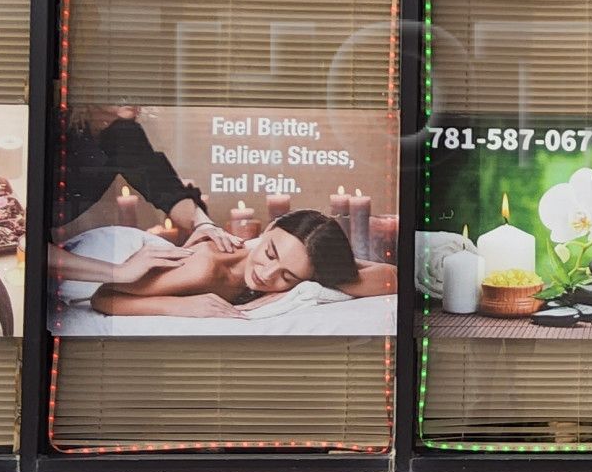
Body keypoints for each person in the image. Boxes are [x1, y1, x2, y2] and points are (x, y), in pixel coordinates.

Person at [85, 208, 398, 320]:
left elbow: (391, 277)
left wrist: (318, 274)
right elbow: (104, 296)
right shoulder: (205, 267)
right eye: (271, 254)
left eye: (286, 277)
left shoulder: (298, 267)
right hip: (109, 252)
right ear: (269, 227)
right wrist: (183, 306)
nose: (265, 274)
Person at [59, 105, 211, 241]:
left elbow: (167, 190)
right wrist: (122, 272)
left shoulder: (122, 132)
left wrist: (205, 226)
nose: (134, 96)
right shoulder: (57, 124)